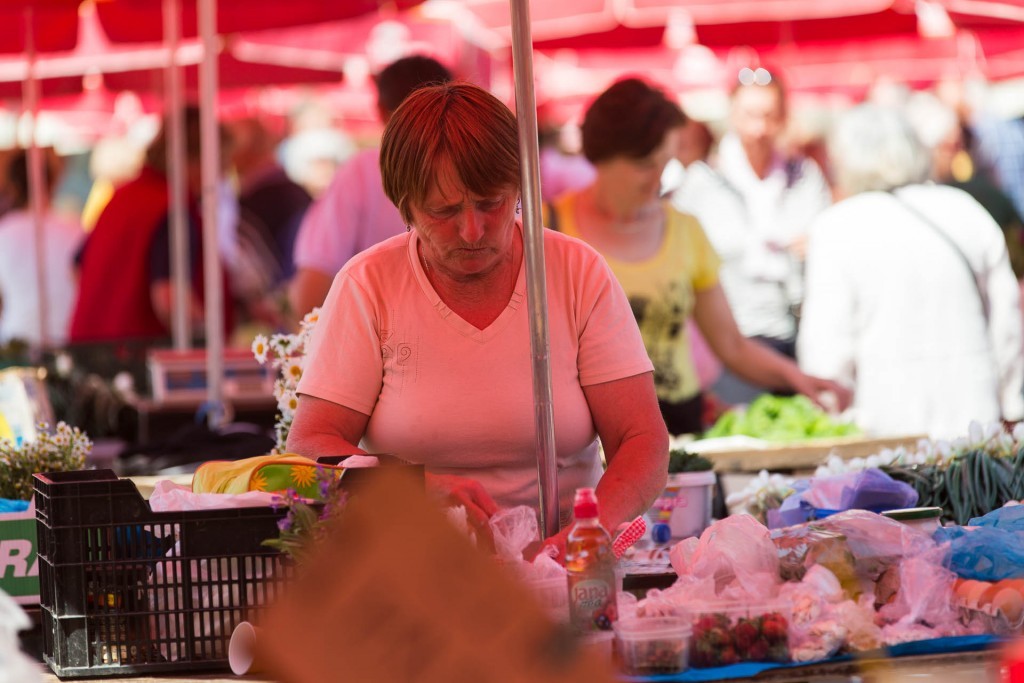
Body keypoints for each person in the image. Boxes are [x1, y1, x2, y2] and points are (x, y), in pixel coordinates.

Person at [286, 82, 669, 553]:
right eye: (444, 211)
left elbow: (642, 440)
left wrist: (591, 531)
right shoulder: (368, 284)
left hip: (566, 567)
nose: (472, 230)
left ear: (520, 187)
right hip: (419, 567)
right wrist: (413, 488)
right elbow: (311, 444)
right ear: (404, 206)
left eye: (492, 203)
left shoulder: (577, 272)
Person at [548, 78, 849, 435]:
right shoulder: (549, 229)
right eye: (645, 164)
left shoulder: (685, 229)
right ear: (602, 156)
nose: (658, 178)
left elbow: (731, 344)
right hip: (587, 435)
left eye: (667, 162)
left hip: (677, 425)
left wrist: (797, 377)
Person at [797, 104, 1024, 439]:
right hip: (974, 428)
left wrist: (831, 417)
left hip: (882, 432)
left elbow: (827, 351)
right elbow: (1006, 329)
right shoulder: (966, 212)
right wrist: (1011, 406)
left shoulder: (837, 227)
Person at [672, 67, 832, 405]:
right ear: (732, 115)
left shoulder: (804, 176)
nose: (759, 128)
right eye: (749, 115)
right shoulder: (701, 183)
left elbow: (829, 241)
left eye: (769, 116)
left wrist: (818, 245)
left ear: (784, 117)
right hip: (730, 346)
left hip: (798, 336)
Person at [287, 55, 453, 324]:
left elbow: (310, 295)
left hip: (385, 346)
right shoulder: (476, 169)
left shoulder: (362, 172)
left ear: (380, 109)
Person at [69, 105, 232, 343]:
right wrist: (210, 337)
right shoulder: (171, 207)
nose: (222, 176)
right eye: (221, 164)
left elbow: (76, 266)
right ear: (198, 161)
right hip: (137, 352)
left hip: (90, 343)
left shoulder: (124, 196)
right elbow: (169, 297)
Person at [228, 116, 312, 333]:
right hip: (309, 306)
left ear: (243, 154)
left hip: (272, 317)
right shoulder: (301, 192)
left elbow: (247, 275)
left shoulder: (251, 205)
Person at [0, 149, 82, 347]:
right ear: (53, 181)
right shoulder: (75, 229)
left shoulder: (6, 231)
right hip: (67, 338)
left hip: (17, 340)